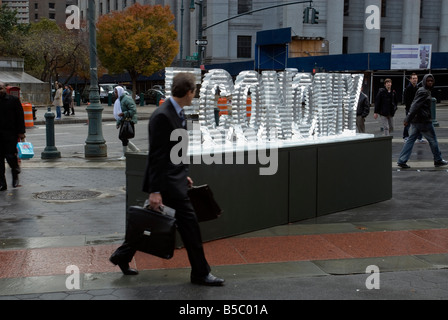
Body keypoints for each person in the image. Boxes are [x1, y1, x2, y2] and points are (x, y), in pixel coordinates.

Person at [110, 73, 225, 286]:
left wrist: (183, 174)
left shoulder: (176, 112)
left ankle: (122, 256)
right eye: (194, 92)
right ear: (189, 92)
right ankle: (200, 273)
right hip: (165, 184)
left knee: (150, 222)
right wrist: (155, 191)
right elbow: (156, 155)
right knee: (190, 227)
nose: (194, 96)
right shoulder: (162, 116)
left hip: (173, 180)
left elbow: (174, 152)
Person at [397, 74, 447, 169]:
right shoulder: (424, 92)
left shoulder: (423, 90)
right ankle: (438, 159)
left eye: (431, 81)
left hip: (417, 121)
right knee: (433, 140)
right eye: (428, 81)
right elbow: (414, 105)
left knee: (410, 140)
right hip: (423, 121)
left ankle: (402, 160)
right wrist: (407, 119)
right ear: (424, 81)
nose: (430, 82)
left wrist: (409, 118)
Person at [0, 82, 26, 191]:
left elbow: (20, 117)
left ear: (5, 89)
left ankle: (15, 171)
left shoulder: (13, 100)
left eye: (0, 88)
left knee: (10, 156)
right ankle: (2, 183)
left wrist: (21, 132)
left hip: (10, 134)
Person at [113, 86, 140, 160]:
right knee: (123, 137)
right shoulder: (119, 100)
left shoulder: (126, 99)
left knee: (123, 137)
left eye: (116, 92)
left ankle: (126, 154)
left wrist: (124, 113)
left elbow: (133, 110)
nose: (115, 94)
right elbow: (119, 113)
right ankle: (135, 150)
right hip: (124, 120)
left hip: (129, 120)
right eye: (115, 92)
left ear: (120, 92)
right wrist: (118, 122)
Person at [403, 73, 424, 143]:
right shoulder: (408, 88)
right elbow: (406, 100)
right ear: (410, 79)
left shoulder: (417, 87)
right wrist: (410, 109)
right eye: (413, 78)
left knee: (419, 123)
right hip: (410, 109)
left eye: (416, 78)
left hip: (417, 109)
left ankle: (420, 137)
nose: (415, 80)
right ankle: (405, 136)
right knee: (408, 123)